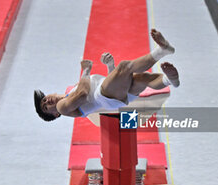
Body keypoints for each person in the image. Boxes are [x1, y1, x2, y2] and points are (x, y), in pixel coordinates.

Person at [34, 29, 179, 121]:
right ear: (55, 114)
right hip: (104, 98)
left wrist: (110, 67)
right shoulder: (61, 107)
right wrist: (85, 71)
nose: (47, 102)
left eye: (45, 100)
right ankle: (162, 51)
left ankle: (170, 80)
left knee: (143, 78)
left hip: (112, 96)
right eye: (46, 107)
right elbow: (83, 94)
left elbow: (112, 83)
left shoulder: (70, 92)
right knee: (125, 67)